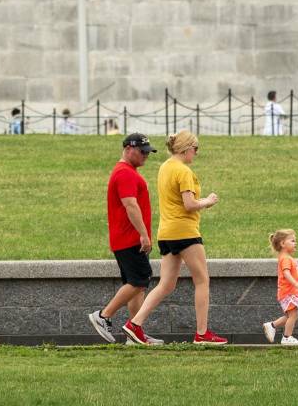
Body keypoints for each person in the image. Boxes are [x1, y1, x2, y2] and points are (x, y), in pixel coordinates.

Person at [122, 130, 227, 346]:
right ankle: (202, 333)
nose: (195, 154)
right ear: (187, 149)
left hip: (166, 233)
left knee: (166, 284)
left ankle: (135, 323)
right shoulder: (184, 171)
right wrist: (208, 201)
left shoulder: (165, 167)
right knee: (202, 280)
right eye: (195, 150)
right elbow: (189, 205)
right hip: (185, 231)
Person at [88, 134, 163, 345]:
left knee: (136, 285)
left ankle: (135, 332)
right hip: (130, 238)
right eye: (143, 151)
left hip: (126, 239)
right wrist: (144, 234)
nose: (146, 156)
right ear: (129, 149)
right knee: (140, 280)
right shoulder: (125, 174)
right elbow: (130, 205)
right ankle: (103, 316)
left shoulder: (127, 172)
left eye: (148, 152)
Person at [262, 229, 298, 346]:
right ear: (282, 244)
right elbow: (286, 274)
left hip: (290, 292)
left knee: (290, 316)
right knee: (293, 315)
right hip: (287, 292)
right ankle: (286, 337)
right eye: (292, 241)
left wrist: (297, 292)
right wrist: (296, 285)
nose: (295, 243)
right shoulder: (285, 258)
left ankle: (272, 325)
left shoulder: (286, 257)